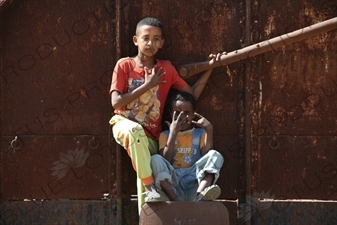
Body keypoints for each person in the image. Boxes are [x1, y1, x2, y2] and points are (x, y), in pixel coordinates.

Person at [109, 17, 220, 213]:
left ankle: (148, 215)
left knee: (148, 166)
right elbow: (116, 102)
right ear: (136, 40)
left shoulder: (166, 69)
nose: (150, 43)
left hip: (151, 134)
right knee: (135, 132)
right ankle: (150, 188)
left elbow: (191, 95)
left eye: (156, 39)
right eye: (146, 38)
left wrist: (209, 69)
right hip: (124, 123)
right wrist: (149, 85)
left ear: (162, 43)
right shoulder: (124, 65)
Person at [151, 90, 224, 201]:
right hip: (174, 182)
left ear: (193, 113)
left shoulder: (200, 133)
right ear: (171, 113)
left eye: (186, 113)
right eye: (177, 112)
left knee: (215, 155)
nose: (182, 117)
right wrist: (173, 134)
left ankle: (200, 195)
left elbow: (206, 154)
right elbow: (165, 159)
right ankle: (174, 199)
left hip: (194, 179)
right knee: (155, 159)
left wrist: (209, 130)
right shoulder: (165, 135)